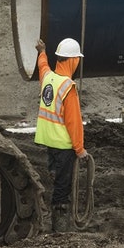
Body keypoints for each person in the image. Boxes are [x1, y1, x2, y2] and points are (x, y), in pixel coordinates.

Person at [34, 37, 88, 233]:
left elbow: (43, 66)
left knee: (56, 181)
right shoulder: (68, 88)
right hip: (64, 146)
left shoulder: (48, 78)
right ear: (74, 61)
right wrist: (80, 149)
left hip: (49, 142)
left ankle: (54, 223)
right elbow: (73, 123)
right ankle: (60, 230)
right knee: (63, 189)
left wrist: (41, 51)